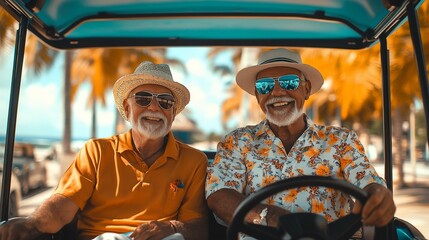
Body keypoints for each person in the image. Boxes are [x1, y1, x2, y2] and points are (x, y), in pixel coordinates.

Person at [0, 61, 208, 240]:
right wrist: (31, 224)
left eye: (164, 101)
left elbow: (198, 228)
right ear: (127, 109)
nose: (154, 108)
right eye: (143, 99)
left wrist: (172, 227)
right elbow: (62, 205)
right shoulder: (96, 151)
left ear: (172, 113)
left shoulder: (194, 161)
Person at [205, 49, 395, 237]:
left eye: (290, 82)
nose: (277, 92)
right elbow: (219, 195)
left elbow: (369, 184)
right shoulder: (237, 142)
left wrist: (377, 193)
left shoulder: (341, 141)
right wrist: (273, 217)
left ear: (306, 89)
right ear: (257, 95)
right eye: (265, 86)